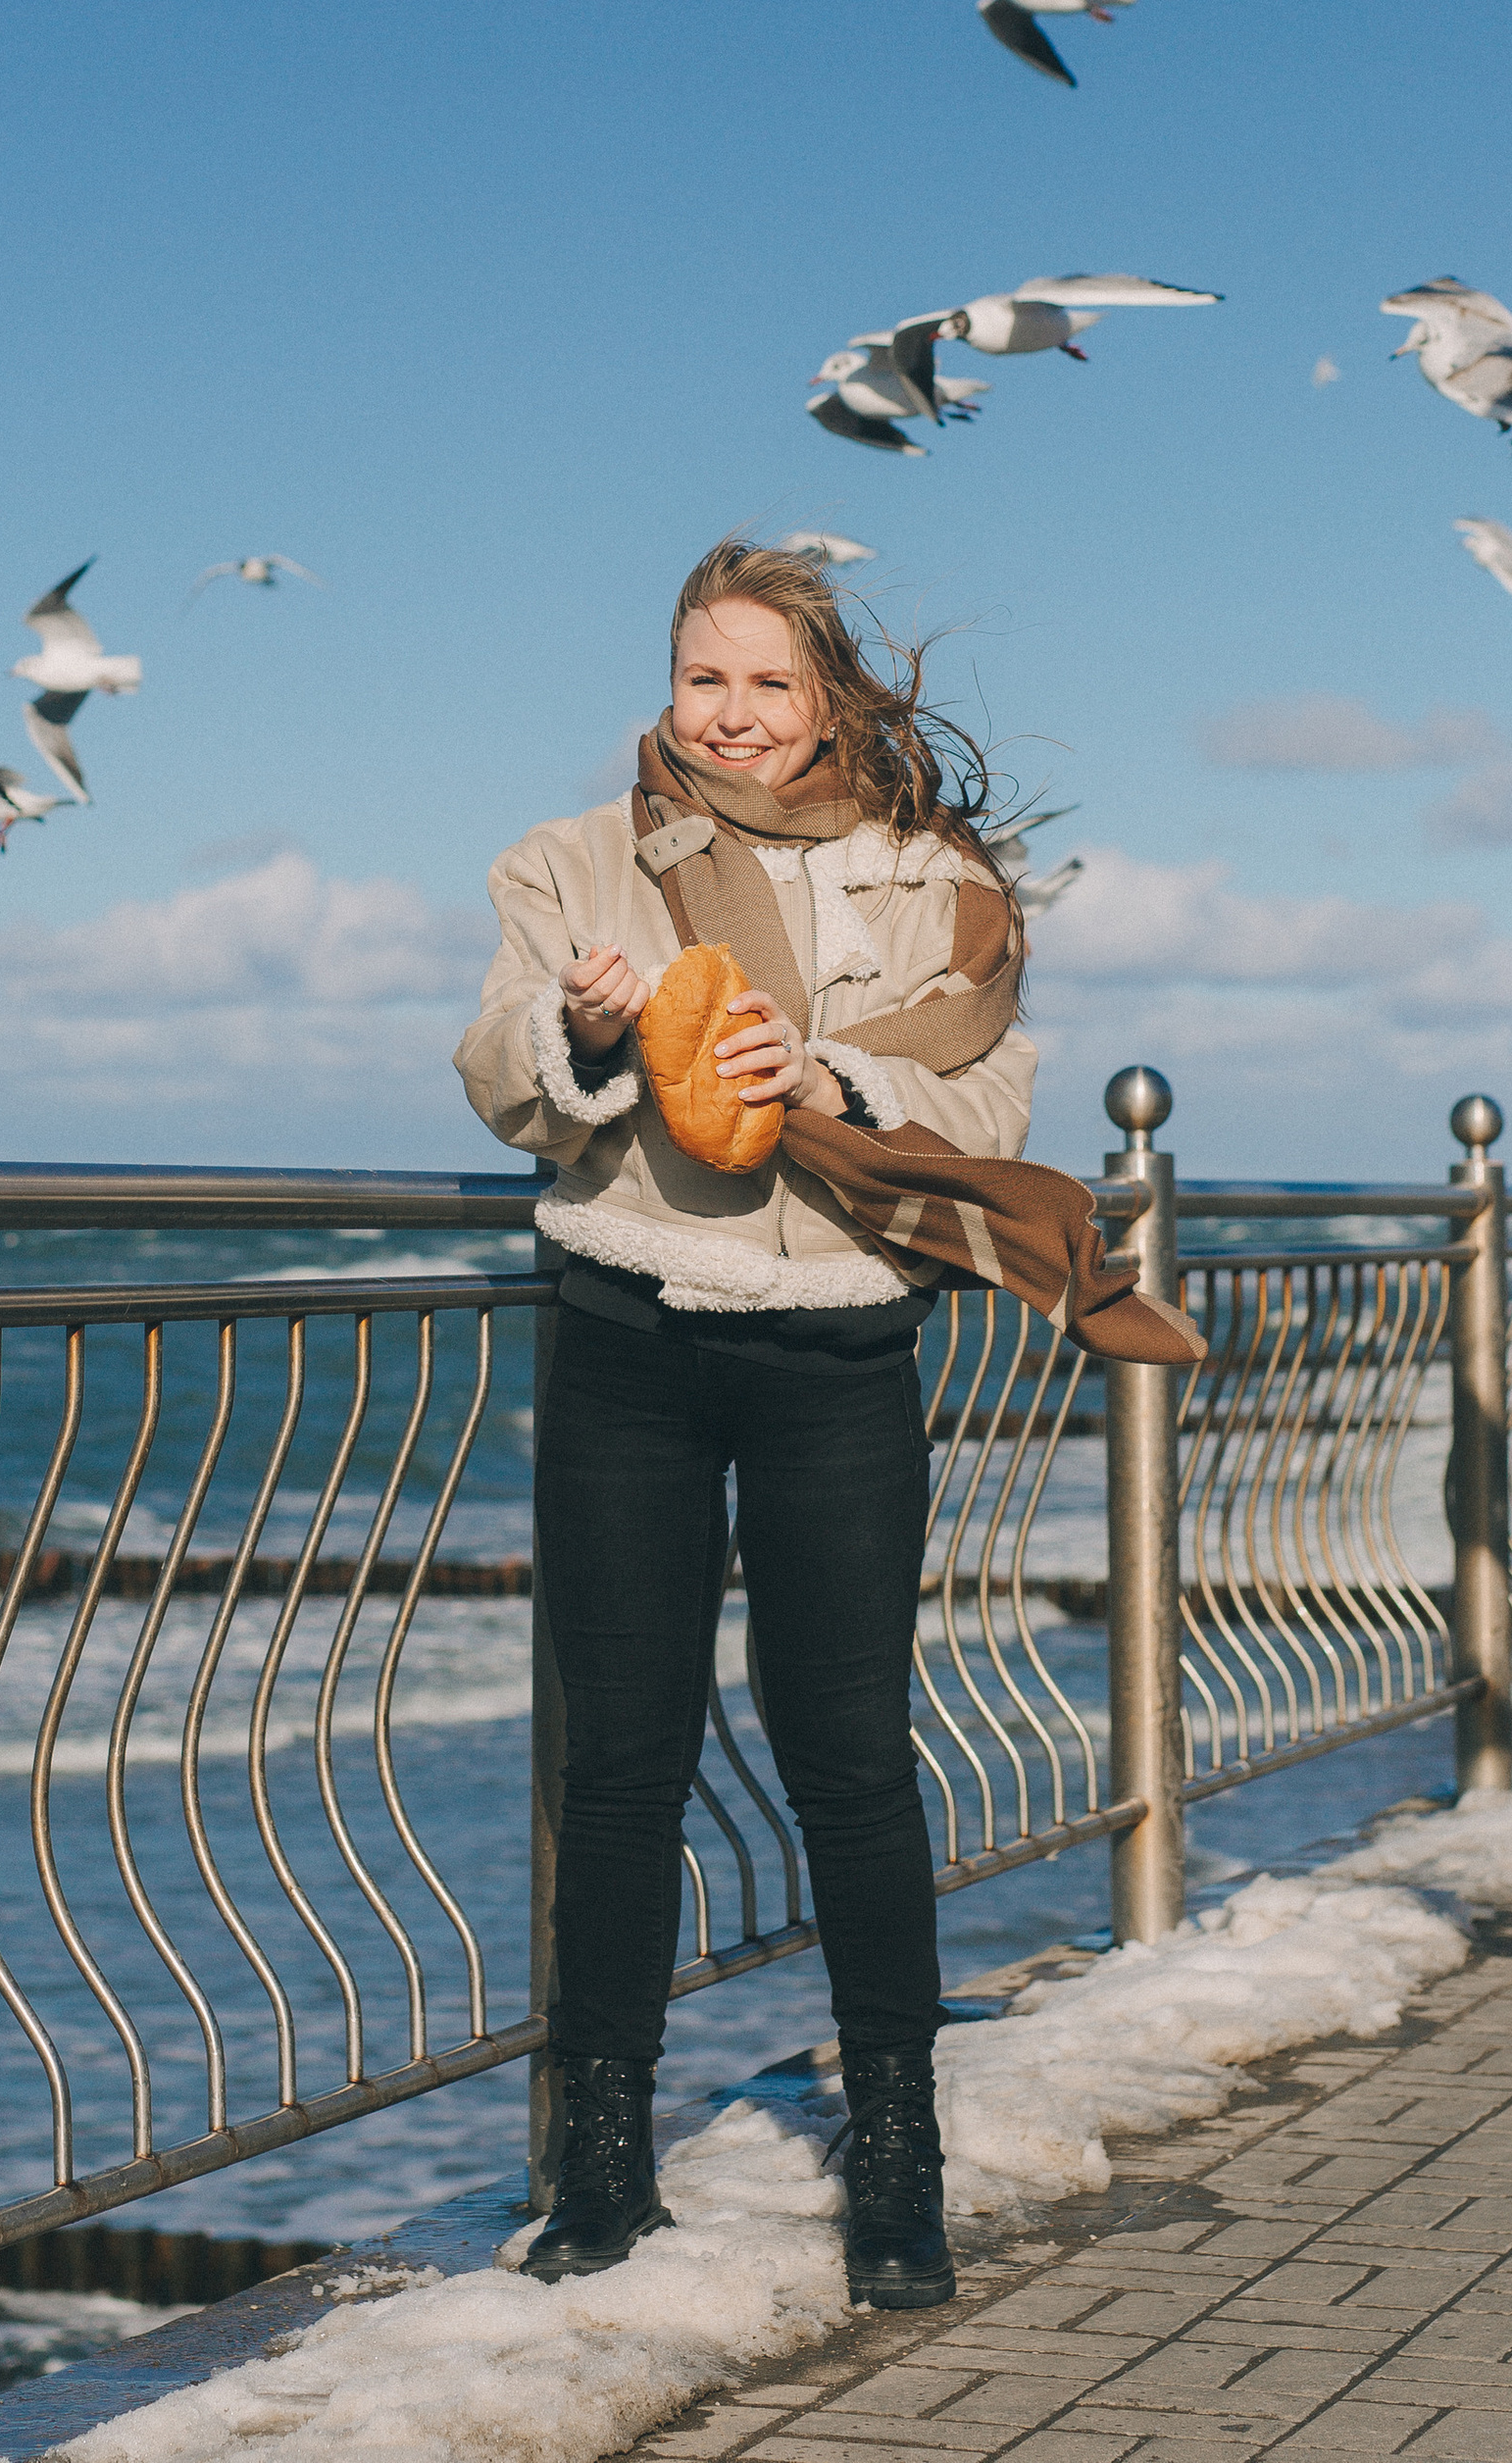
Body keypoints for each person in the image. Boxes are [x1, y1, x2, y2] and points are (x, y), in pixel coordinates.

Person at [452, 538, 1044, 2310]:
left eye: (768, 683)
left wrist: (837, 1074)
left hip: (841, 1342)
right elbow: (501, 1082)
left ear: (830, 699)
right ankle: (605, 2168)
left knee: (851, 1763)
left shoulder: (936, 879)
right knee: (620, 1761)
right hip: (627, 1328)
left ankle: (896, 2162)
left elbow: (992, 1099)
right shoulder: (573, 862)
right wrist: (584, 1034)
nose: (731, 712)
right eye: (705, 677)